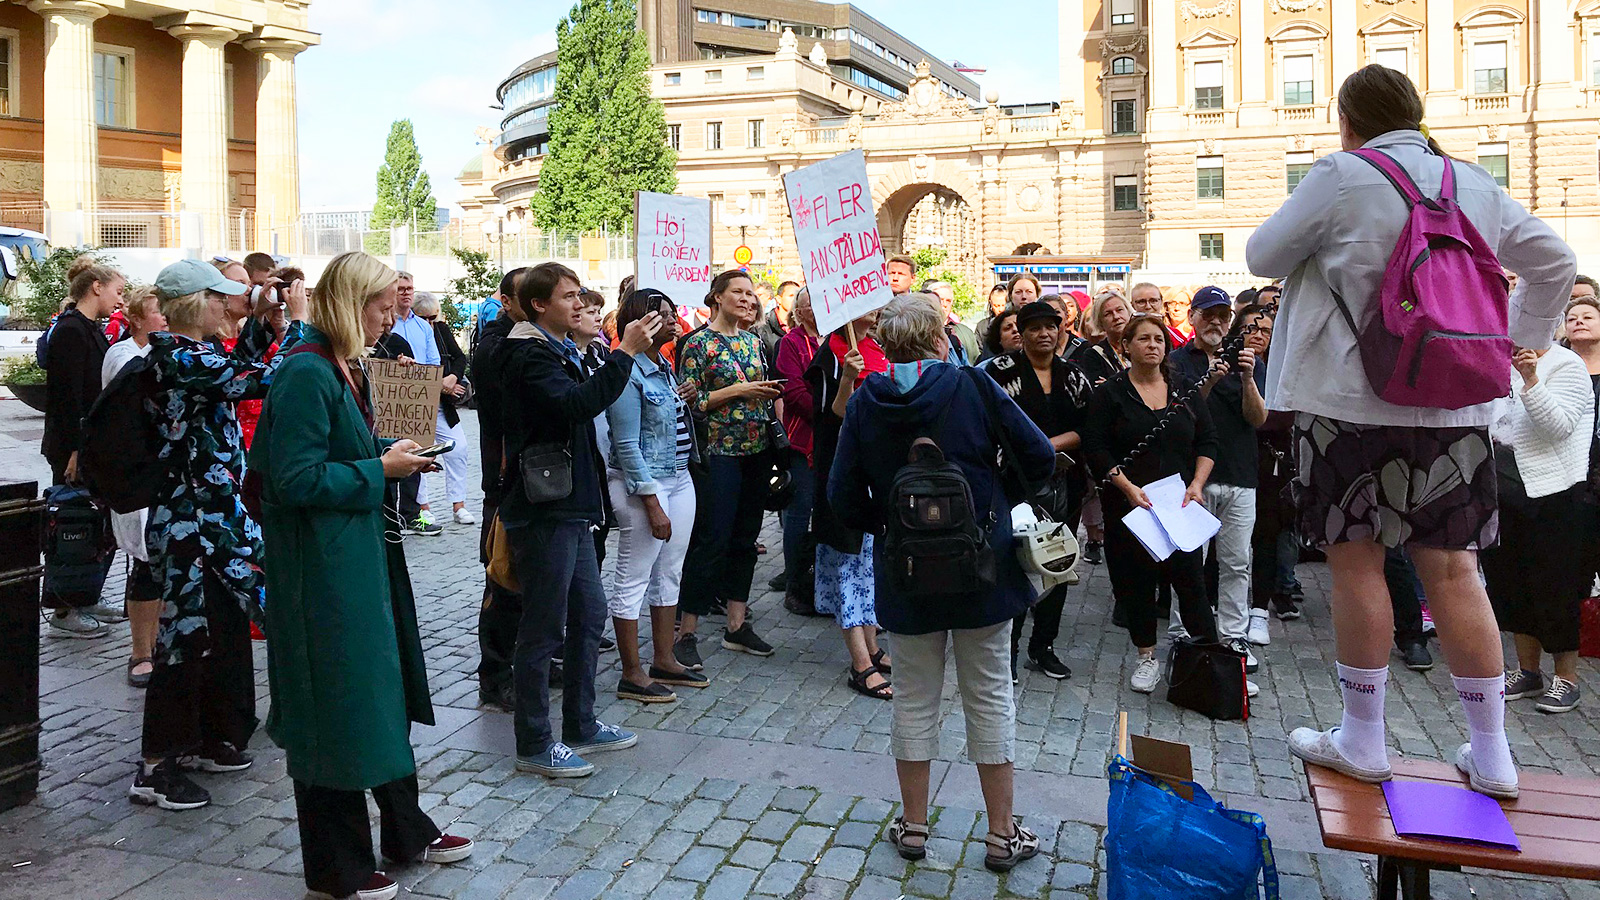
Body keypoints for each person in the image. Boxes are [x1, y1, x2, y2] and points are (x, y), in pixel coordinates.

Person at [1247, 64, 1575, 798]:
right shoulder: (1474, 183)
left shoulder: (1341, 174)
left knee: (1356, 565)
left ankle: (1362, 738)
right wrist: (1515, 338)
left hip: (1347, 404)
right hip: (1455, 408)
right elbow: (1555, 262)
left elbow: (1262, 257)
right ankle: (1491, 754)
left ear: (1347, 120)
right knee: (1456, 573)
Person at [252, 251, 472, 900]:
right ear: (351, 304)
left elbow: (341, 450)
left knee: (372, 696)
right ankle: (336, 869)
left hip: (352, 557)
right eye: (380, 305)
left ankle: (404, 829)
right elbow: (291, 478)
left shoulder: (340, 366)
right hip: (319, 568)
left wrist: (392, 454)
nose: (390, 316)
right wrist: (382, 471)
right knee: (333, 709)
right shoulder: (305, 373)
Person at [829, 294, 1053, 873]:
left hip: (905, 575)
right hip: (984, 568)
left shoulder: (865, 403)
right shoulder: (974, 387)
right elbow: (1038, 455)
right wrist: (997, 494)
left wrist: (889, 520)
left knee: (912, 697)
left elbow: (842, 499)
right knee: (990, 695)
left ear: (883, 345)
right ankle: (1002, 835)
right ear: (938, 339)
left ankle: (914, 827)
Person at [131, 259, 302, 812]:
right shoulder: (177, 356)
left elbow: (241, 366)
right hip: (190, 523)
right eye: (222, 298)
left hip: (217, 517)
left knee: (225, 626)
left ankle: (209, 736)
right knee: (181, 640)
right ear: (197, 302)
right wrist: (296, 326)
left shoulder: (193, 354)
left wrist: (263, 323)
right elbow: (260, 379)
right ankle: (155, 766)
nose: (230, 304)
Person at [497, 262, 659, 777]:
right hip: (545, 507)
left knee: (589, 617)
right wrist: (625, 352)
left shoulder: (565, 351)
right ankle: (533, 741)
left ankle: (581, 722)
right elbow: (574, 406)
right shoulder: (526, 353)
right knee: (543, 628)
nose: (579, 305)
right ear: (540, 305)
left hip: (572, 504)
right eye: (568, 297)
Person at [1083, 315, 1228, 694]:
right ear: (1125, 346)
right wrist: (1128, 488)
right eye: (1143, 339)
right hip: (1130, 506)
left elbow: (1209, 440)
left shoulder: (1183, 388)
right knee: (1137, 583)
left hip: (1178, 503)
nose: (1153, 345)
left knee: (1192, 582)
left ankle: (1213, 658)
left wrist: (1197, 484)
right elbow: (1096, 448)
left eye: (1159, 339)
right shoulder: (1110, 393)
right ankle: (1146, 656)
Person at [675, 270, 783, 669]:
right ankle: (686, 631)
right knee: (712, 540)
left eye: (751, 295)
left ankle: (737, 625)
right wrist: (739, 390)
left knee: (746, 538)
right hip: (718, 453)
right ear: (716, 297)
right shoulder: (697, 344)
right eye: (738, 292)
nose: (748, 300)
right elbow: (690, 402)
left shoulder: (755, 342)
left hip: (757, 451)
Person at [982, 301, 1094, 682]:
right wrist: (1036, 449)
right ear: (1022, 333)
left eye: (1052, 327)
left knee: (1059, 563)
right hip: (1013, 484)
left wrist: (1045, 445)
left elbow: (1088, 429)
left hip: (1066, 484)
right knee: (1014, 563)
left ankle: (1043, 646)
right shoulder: (998, 372)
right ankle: (1008, 651)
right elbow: (989, 425)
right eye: (1036, 328)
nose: (1044, 334)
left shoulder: (1075, 375)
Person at [605, 289, 707, 703]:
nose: (672, 321)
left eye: (671, 314)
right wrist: (651, 501)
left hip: (678, 477)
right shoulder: (627, 370)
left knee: (670, 571)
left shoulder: (661, 364)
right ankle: (632, 672)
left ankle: (663, 657)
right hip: (646, 485)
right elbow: (626, 444)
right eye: (662, 315)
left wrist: (682, 399)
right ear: (640, 322)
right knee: (634, 575)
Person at [1483, 342, 1593, 714]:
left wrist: (1531, 379)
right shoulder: (1499, 357)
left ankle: (1567, 678)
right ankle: (1527, 671)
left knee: (1555, 586)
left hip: (1554, 493)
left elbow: (1557, 428)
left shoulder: (1568, 364)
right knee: (1509, 581)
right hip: (1503, 488)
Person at [1170, 286, 1267, 671]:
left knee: (1237, 562)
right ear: (1192, 317)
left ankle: (1233, 635)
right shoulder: (1177, 361)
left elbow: (1258, 419)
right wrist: (1209, 380)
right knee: (1191, 560)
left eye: (1223, 316)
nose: (1216, 322)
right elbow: (1182, 417)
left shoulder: (1248, 361)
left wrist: (1246, 379)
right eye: (1207, 314)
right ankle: (1183, 631)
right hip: (1195, 479)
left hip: (1241, 476)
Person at [807, 307, 892, 699]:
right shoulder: (831, 355)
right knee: (849, 568)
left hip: (874, 472)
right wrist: (848, 378)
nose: (876, 310)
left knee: (869, 567)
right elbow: (831, 416)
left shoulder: (875, 346)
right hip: (843, 475)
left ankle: (873, 647)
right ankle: (860, 664)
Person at [41, 260, 125, 638]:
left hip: (90, 444)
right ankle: (62, 608)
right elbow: (66, 399)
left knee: (94, 525)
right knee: (71, 524)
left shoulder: (88, 329)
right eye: (117, 291)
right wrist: (74, 451)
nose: (119, 299)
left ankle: (85, 596)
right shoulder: (70, 331)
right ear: (96, 287)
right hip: (72, 448)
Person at [471, 267, 532, 712]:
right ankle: (495, 674)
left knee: (538, 578)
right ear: (507, 301)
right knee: (502, 576)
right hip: (506, 478)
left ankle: (535, 659)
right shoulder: (495, 340)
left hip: (543, 479)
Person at [102, 288, 167, 686]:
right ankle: (140, 651)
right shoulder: (124, 355)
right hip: (137, 474)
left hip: (164, 476)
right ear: (138, 320)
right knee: (145, 564)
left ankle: (162, 641)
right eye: (158, 313)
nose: (165, 319)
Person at [774, 288, 824, 613]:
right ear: (799, 311)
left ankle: (823, 578)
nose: (816, 309)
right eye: (810, 304)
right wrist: (831, 411)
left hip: (835, 441)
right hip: (804, 440)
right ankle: (795, 583)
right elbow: (792, 391)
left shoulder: (837, 339)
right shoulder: (789, 344)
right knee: (799, 512)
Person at [387, 272, 444, 537]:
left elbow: (433, 361)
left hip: (418, 398)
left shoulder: (422, 326)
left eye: (410, 288)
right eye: (401, 289)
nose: (406, 293)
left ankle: (411, 515)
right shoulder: (387, 323)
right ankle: (390, 516)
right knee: (389, 454)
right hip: (390, 399)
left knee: (415, 454)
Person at [413, 292, 474, 526]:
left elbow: (459, 357)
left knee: (458, 448)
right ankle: (423, 506)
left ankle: (458, 504)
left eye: (432, 317)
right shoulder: (407, 332)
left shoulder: (440, 330)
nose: (429, 322)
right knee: (420, 454)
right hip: (417, 402)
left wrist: (452, 377)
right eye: (424, 317)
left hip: (441, 405)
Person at [1070, 289, 1132, 387]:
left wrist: (1111, 384)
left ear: (1129, 312)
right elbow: (1101, 393)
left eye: (1119, 310)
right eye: (1108, 314)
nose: (1116, 316)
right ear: (1100, 322)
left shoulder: (1142, 345)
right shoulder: (1093, 355)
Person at [927, 280, 979, 365]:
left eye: (948, 301)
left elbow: (975, 363)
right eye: (940, 300)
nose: (944, 304)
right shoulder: (919, 333)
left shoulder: (965, 332)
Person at [755, 279, 799, 365]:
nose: (795, 300)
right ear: (778, 299)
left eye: (798, 296)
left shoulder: (804, 326)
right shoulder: (762, 327)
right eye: (791, 296)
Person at [1043, 293, 1087, 360]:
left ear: (1066, 316)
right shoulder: (1030, 348)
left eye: (1057, 312)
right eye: (1047, 312)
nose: (1052, 316)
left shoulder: (1084, 349)